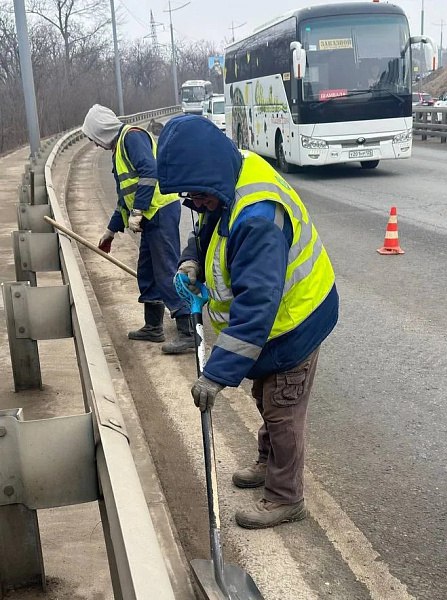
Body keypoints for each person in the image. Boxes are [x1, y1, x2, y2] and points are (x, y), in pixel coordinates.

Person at [156, 115, 339, 529]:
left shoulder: (256, 218)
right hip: (273, 328)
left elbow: (257, 307)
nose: (194, 203)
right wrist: (191, 260)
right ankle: (267, 462)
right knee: (265, 397)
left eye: (197, 195)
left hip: (295, 323)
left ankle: (285, 496)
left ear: (211, 177)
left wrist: (215, 376)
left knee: (283, 411)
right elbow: (208, 228)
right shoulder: (225, 179)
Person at [81, 104, 195, 354]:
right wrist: (111, 230)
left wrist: (138, 211)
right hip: (149, 215)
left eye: (93, 138)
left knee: (165, 270)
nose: (95, 144)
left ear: (101, 131)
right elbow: (126, 194)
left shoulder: (131, 137)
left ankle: (188, 332)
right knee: (147, 272)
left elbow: (149, 172)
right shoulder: (119, 147)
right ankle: (153, 327)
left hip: (160, 211)